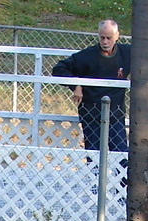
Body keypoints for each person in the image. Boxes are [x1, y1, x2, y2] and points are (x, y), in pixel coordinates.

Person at [51, 18, 132, 152]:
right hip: (91, 113)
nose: (105, 42)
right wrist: (76, 85)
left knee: (121, 154)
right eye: (102, 37)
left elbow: (147, 59)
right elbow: (59, 69)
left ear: (117, 36)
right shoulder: (86, 56)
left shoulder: (127, 53)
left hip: (115, 113)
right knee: (93, 153)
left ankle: (121, 168)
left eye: (109, 38)